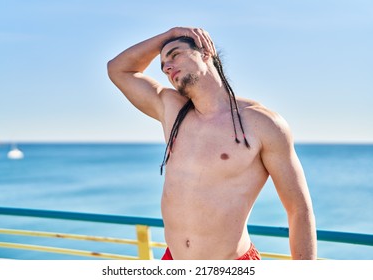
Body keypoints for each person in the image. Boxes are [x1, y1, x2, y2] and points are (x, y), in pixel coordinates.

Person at [107, 27, 317, 260]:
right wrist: (170, 34)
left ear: (206, 52)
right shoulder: (171, 109)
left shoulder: (262, 123)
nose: (167, 67)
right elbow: (118, 69)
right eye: (163, 65)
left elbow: (299, 210)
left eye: (175, 55)